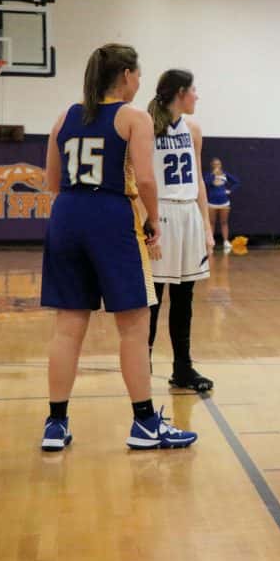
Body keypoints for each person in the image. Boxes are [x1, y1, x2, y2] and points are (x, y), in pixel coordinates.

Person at [39, 44, 198, 451]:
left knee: (67, 326)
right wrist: (152, 219)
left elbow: (52, 181)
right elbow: (145, 179)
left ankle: (55, 424)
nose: (140, 82)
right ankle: (145, 423)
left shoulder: (64, 116)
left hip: (66, 215)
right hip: (110, 216)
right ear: (126, 75)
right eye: (138, 75)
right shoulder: (133, 116)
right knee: (133, 326)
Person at [146, 69, 216, 392]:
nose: (197, 95)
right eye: (193, 90)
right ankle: (141, 365)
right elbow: (138, 177)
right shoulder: (146, 126)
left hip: (188, 214)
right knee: (152, 300)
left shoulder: (194, 130)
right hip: (159, 214)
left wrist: (206, 227)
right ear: (179, 93)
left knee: (184, 299)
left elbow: (198, 179)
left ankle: (183, 368)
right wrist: (146, 222)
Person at [206, 157, 239, 251]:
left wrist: (230, 190)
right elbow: (206, 184)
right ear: (212, 165)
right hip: (211, 203)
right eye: (215, 164)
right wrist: (213, 175)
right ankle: (211, 242)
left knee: (224, 222)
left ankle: (225, 241)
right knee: (211, 223)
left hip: (224, 202)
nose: (217, 166)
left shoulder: (225, 174)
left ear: (221, 165)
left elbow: (236, 182)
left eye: (218, 164)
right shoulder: (209, 175)